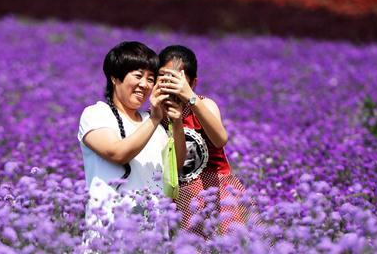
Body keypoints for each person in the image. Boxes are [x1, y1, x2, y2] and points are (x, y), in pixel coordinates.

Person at [77, 41, 178, 234]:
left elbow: (175, 166)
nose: (145, 85)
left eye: (150, 79)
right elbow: (117, 153)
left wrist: (177, 121)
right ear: (115, 78)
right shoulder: (96, 114)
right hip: (109, 233)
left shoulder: (153, 124)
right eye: (138, 76)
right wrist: (155, 119)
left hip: (153, 234)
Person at [155, 44, 249, 234]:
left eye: (177, 78)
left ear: (193, 83)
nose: (170, 84)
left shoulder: (204, 105)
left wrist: (191, 98)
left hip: (218, 192)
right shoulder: (155, 114)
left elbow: (220, 139)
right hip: (182, 198)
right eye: (163, 76)